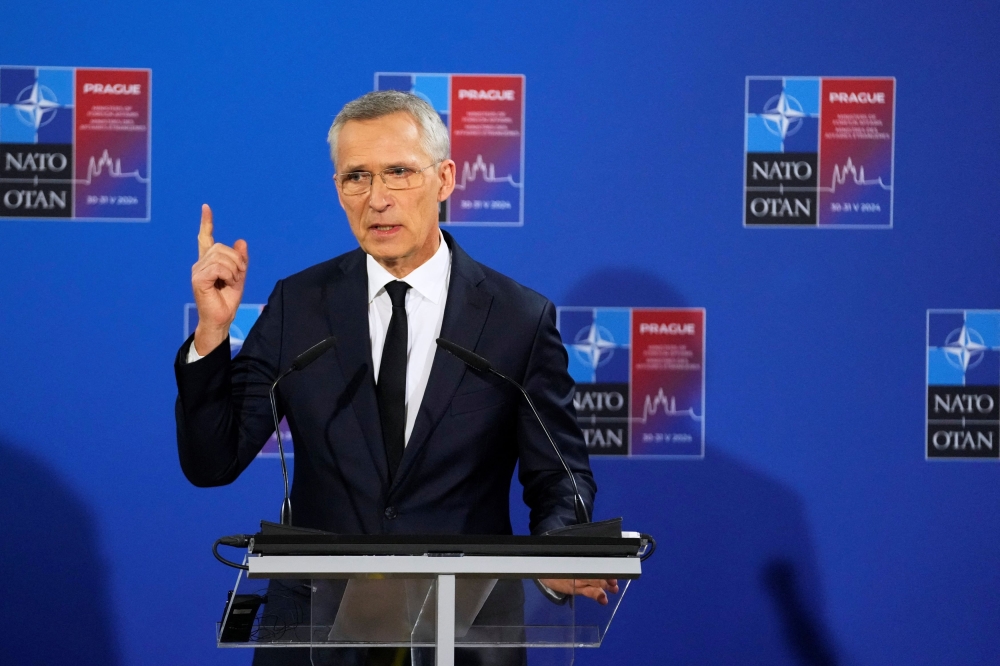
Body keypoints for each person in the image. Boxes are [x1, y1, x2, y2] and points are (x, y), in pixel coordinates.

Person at [174, 91, 615, 665]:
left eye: (399, 172)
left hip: (465, 634)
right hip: (318, 636)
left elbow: (559, 478)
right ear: (338, 189)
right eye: (356, 176)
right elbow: (213, 462)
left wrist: (560, 558)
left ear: (445, 178)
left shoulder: (516, 319)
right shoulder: (299, 306)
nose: (377, 199)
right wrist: (211, 337)